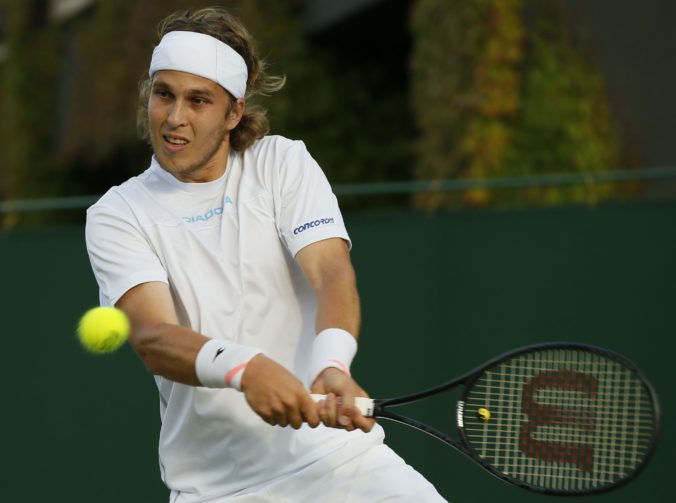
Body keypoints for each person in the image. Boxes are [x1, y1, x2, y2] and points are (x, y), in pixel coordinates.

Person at [85, 7, 446, 503]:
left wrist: (333, 365)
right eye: (164, 93)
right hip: (217, 490)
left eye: (199, 101)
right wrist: (247, 369)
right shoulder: (117, 213)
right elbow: (153, 337)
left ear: (234, 112)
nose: (174, 118)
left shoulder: (282, 162)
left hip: (344, 466)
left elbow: (331, 273)